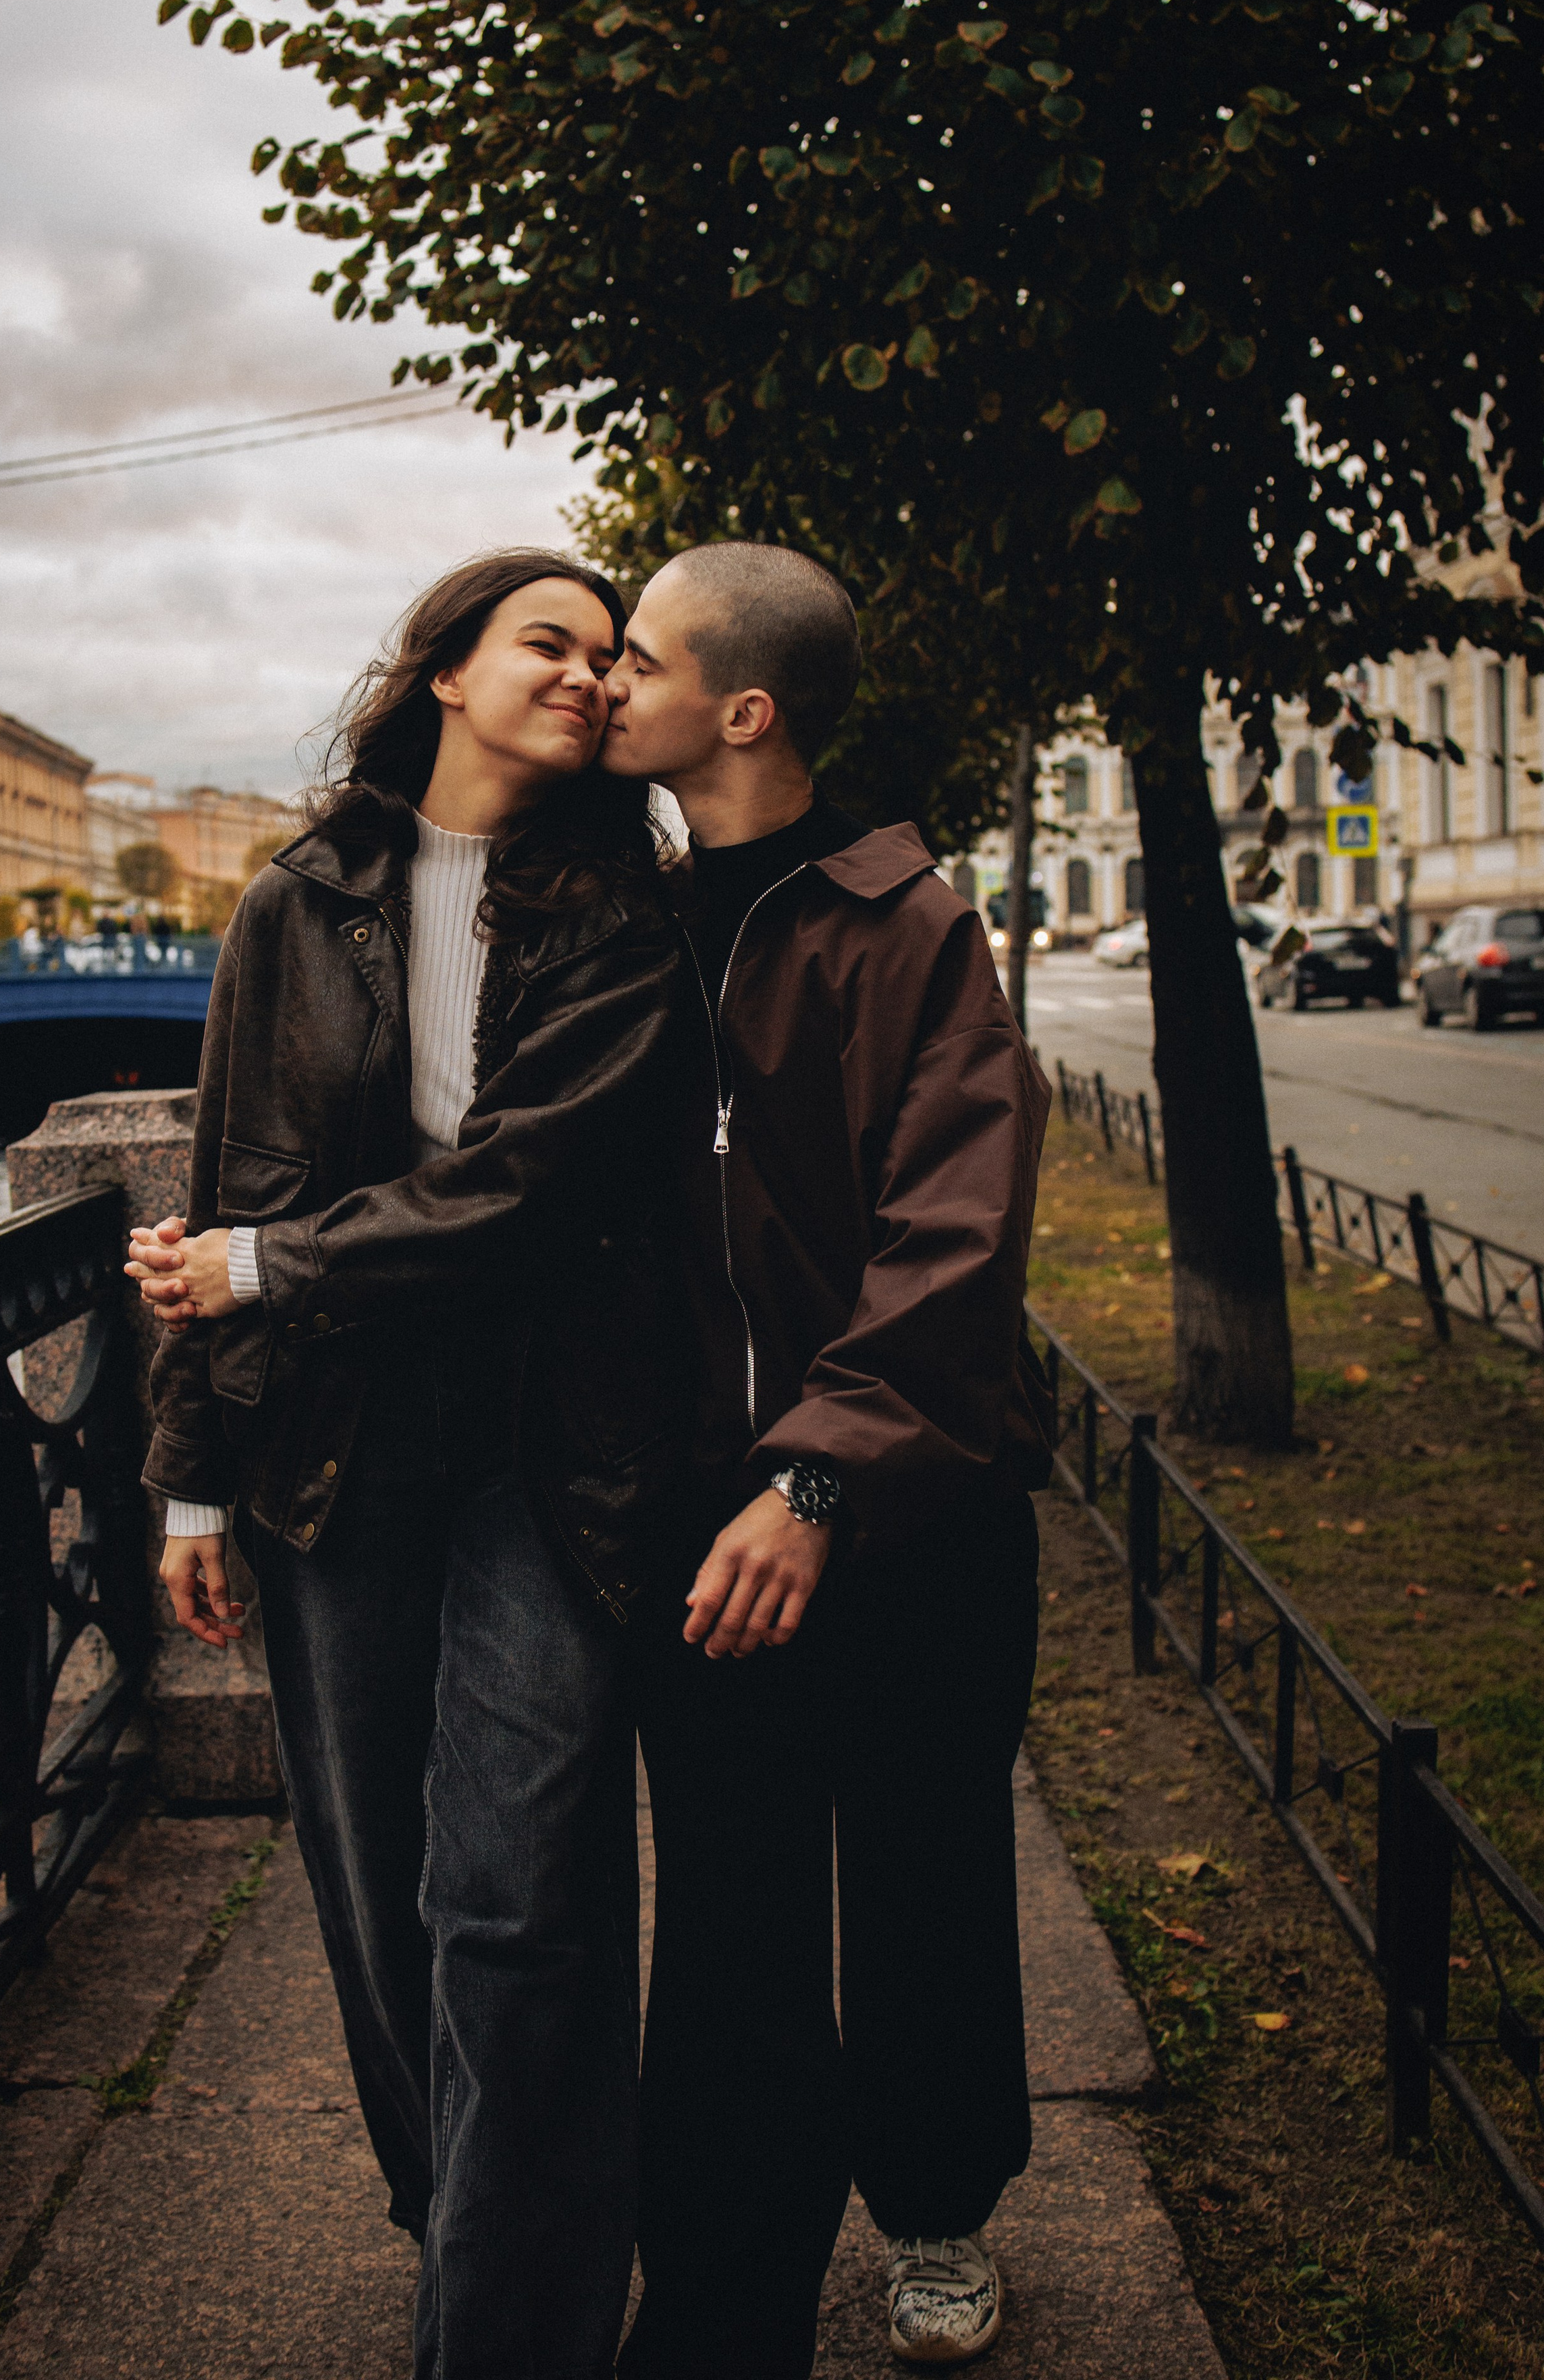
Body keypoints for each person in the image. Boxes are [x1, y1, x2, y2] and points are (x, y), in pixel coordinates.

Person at [123, 548, 686, 2380]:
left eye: (613, 657)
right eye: (552, 642)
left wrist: (265, 1267)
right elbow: (234, 1177)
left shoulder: (628, 909)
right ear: (444, 666)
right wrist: (194, 1482)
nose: (593, 677)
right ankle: (481, 2234)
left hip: (553, 1452)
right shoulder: (302, 900)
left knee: (518, 1906)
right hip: (334, 1459)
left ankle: (506, 2330)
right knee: (381, 1911)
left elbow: (526, 1188)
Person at [599, 543, 1053, 2377]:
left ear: (746, 706)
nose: (605, 685)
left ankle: (938, 2215)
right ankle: (716, 2290)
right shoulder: (617, 921)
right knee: (727, 1927)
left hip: (914, 1515)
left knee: (930, 1883)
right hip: (702, 1534)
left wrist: (820, 1477)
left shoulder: (909, 921)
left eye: (638, 657)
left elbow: (955, 1237)